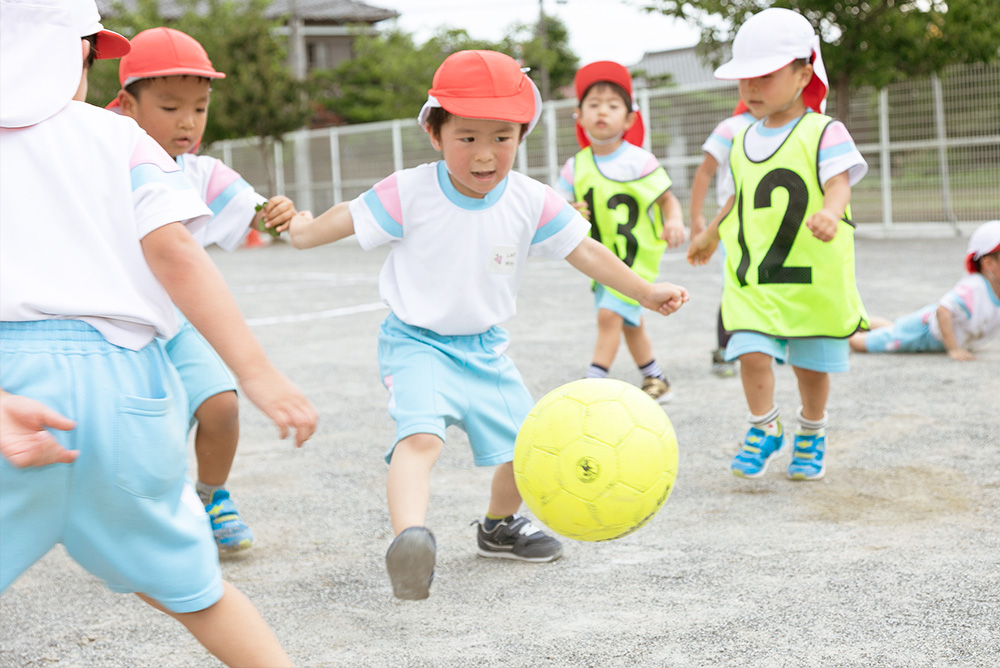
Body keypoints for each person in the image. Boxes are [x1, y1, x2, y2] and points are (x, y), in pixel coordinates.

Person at [287, 50, 689, 600]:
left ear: (521, 136)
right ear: (435, 133)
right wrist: (303, 231)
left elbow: (587, 251)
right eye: (467, 138)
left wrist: (646, 291)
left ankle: (498, 528)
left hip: (486, 350)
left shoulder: (529, 200)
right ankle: (410, 541)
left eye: (502, 137)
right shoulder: (409, 191)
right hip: (416, 343)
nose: (485, 154)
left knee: (529, 448)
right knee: (421, 437)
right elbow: (348, 217)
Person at [0, 2, 316, 666]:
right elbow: (176, 253)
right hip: (126, 391)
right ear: (79, 58)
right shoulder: (121, 141)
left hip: (14, 388)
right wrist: (257, 373)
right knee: (200, 596)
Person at [109, 27, 297, 552]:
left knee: (221, 406)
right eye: (170, 107)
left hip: (176, 321)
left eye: (199, 107)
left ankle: (212, 494)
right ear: (126, 104)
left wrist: (279, 213)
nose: (188, 122)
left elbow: (260, 213)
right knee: (138, 433)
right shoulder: (102, 159)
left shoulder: (203, 173)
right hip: (114, 326)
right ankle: (136, 512)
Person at [687, 8, 869, 482]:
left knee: (810, 369)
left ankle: (811, 430)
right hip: (755, 281)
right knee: (748, 349)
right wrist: (710, 231)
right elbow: (737, 199)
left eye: (765, 76)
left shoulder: (825, 131)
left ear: (803, 73)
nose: (751, 87)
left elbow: (840, 183)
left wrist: (831, 212)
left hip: (810, 281)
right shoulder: (741, 138)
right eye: (745, 77)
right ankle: (764, 426)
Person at [554, 61, 684, 403]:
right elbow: (555, 207)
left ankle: (594, 382)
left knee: (610, 314)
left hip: (637, 259)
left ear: (629, 119)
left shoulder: (640, 161)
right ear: (578, 115)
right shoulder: (575, 165)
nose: (602, 112)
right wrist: (568, 211)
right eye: (593, 105)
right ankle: (655, 377)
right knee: (629, 321)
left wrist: (674, 220)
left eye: (613, 106)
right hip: (600, 261)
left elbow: (668, 200)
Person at [850, 220, 1000, 360]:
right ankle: (841, 331)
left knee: (894, 329)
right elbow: (943, 310)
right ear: (988, 264)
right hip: (924, 333)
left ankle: (859, 322)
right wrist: (953, 348)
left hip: (925, 325)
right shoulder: (974, 288)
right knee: (861, 344)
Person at [689, 101, 762, 378]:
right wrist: (697, 217)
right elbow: (705, 171)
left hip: (773, 224)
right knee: (734, 286)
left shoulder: (793, 126)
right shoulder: (732, 127)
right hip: (732, 224)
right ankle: (724, 350)